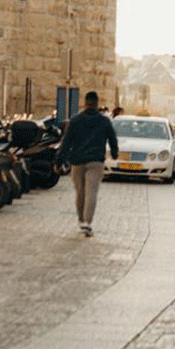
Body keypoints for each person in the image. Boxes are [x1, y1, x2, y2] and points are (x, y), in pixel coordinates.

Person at [59, 91, 118, 238]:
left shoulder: (75, 120)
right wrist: (115, 153)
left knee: (80, 192)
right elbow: (113, 138)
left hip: (77, 161)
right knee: (91, 192)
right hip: (96, 161)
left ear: (85, 103)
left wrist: (59, 160)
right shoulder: (104, 121)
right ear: (97, 103)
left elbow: (66, 142)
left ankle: (81, 220)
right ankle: (87, 222)